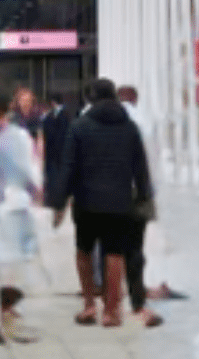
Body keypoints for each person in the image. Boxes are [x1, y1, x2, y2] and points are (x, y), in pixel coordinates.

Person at [50, 78, 152, 329]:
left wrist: (59, 202)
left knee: (84, 251)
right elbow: (141, 167)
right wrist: (144, 196)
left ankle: (88, 306)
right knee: (114, 253)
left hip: (85, 201)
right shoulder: (129, 127)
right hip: (119, 201)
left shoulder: (79, 126)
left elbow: (68, 167)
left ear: (91, 99)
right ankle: (111, 311)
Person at [0, 96, 43, 345]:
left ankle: (5, 310)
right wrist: (36, 189)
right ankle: (6, 311)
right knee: (17, 260)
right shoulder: (17, 137)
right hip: (17, 202)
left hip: (7, 204)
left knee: (11, 260)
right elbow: (30, 167)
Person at [116, 86, 165, 326]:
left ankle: (114, 297)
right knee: (135, 247)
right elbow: (154, 159)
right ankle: (137, 299)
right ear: (136, 99)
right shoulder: (145, 121)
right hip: (140, 193)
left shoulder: (107, 120)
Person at [41, 94, 70, 209]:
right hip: (58, 152)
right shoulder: (64, 114)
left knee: (54, 176)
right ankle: (56, 199)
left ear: (52, 102)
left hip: (55, 152)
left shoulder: (59, 115)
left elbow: (54, 133)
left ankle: (55, 199)